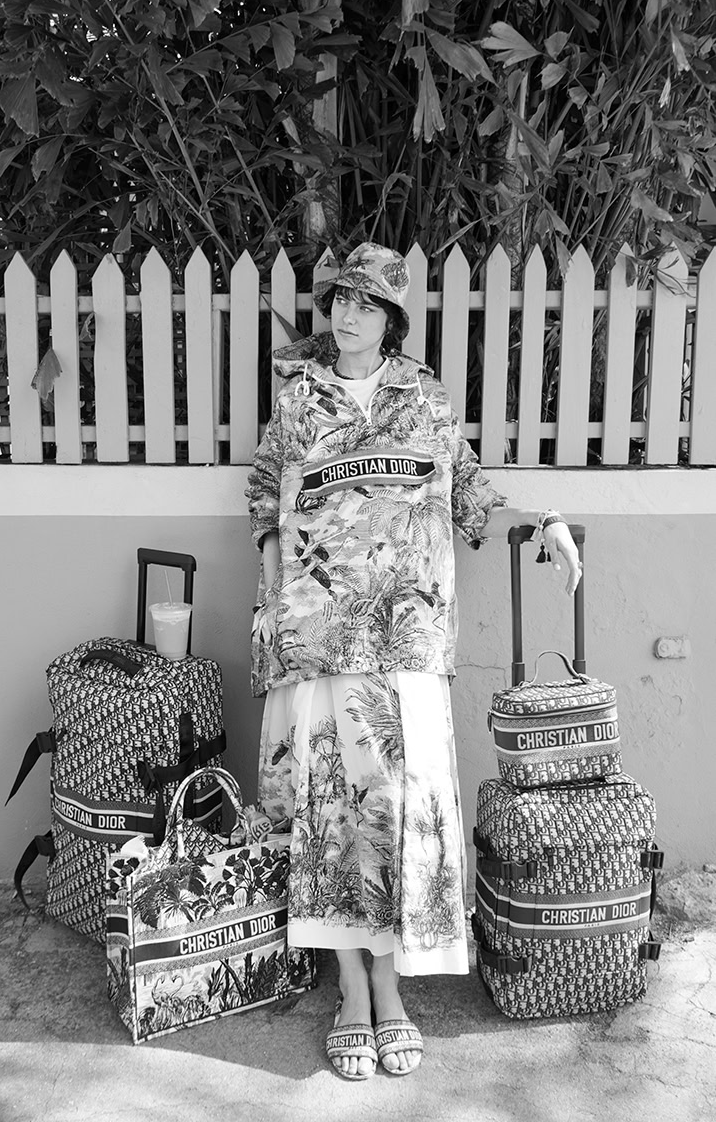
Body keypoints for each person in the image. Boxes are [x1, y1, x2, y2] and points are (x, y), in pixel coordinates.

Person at [245, 242, 582, 1080]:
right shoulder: (297, 400)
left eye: (365, 303)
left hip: (403, 637)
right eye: (338, 302)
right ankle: (349, 993)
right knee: (325, 807)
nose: (347, 315)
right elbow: (262, 496)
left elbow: (468, 491)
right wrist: (272, 588)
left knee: (395, 805)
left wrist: (544, 520)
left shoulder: (423, 401)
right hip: (314, 634)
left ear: (390, 317)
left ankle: (389, 986)